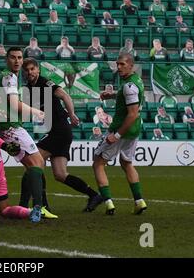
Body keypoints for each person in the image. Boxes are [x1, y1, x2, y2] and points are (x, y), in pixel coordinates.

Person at [22, 58, 104, 213]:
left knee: (35, 161)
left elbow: (65, 96)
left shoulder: (45, 83)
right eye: (26, 70)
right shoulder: (27, 89)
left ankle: (42, 205)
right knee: (60, 174)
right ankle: (94, 195)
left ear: (38, 70)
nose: (30, 72)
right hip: (55, 131)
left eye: (32, 69)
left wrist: (72, 114)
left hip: (59, 130)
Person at [0, 47, 47, 223]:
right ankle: (37, 209)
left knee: (36, 163)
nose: (17, 61)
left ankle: (27, 206)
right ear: (6, 59)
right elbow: (15, 105)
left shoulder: (8, 77)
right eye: (13, 57)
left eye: (19, 58)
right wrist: (36, 112)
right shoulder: (10, 77)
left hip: (10, 126)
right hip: (10, 128)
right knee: (36, 163)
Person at [93, 54, 147, 215]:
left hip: (121, 129)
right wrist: (112, 95)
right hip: (134, 131)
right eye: (117, 64)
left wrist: (115, 136)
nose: (119, 67)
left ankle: (109, 203)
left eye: (122, 64)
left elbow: (132, 114)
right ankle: (139, 201)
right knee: (127, 163)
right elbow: (130, 96)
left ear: (131, 66)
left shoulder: (129, 85)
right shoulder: (136, 81)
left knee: (98, 163)